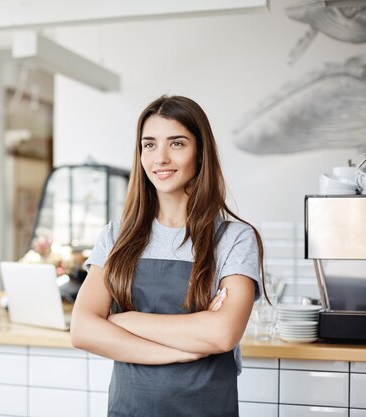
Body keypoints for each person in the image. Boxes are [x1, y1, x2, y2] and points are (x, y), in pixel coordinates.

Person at [70, 95, 266, 417]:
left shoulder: (234, 239)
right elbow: (82, 330)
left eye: (176, 143)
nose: (160, 157)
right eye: (149, 145)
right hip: (128, 410)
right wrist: (182, 351)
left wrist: (124, 321)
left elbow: (222, 333)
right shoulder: (116, 236)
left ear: (200, 153)